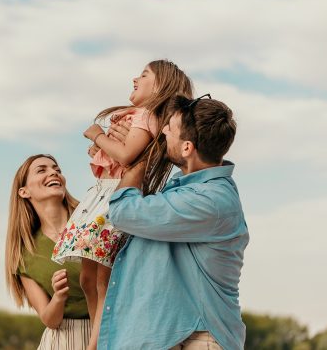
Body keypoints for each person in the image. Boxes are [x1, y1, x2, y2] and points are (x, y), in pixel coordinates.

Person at [52, 60, 193, 349]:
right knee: (88, 278)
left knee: (102, 278)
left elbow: (127, 155)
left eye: (144, 75)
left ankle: (96, 343)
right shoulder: (135, 115)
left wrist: (98, 136)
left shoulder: (146, 116)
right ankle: (96, 336)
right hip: (101, 194)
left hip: (113, 198)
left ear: (160, 85)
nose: (135, 78)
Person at [97, 94, 249, 350]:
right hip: (182, 335)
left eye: (170, 128)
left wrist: (141, 156)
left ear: (187, 147)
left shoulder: (209, 201)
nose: (163, 131)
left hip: (199, 338)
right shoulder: (187, 190)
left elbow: (123, 211)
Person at [5, 154, 91, 349]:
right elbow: (49, 319)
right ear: (24, 191)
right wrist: (59, 297)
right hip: (64, 339)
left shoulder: (93, 221)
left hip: (112, 331)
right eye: (41, 170)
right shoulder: (24, 255)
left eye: (57, 170)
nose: (53, 172)